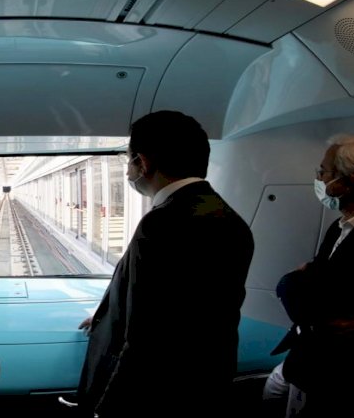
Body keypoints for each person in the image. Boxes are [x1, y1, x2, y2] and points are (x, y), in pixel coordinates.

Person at [75, 111, 254, 417]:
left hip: (154, 395)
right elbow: (187, 304)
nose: (128, 170)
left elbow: (146, 336)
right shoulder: (231, 219)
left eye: (128, 159)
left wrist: (107, 409)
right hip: (205, 382)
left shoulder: (161, 223)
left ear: (143, 162)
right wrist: (107, 315)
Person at [263, 134, 354, 417]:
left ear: (350, 180)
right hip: (310, 349)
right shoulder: (341, 226)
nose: (318, 178)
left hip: (331, 364)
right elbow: (318, 292)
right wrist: (307, 287)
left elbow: (315, 307)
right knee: (275, 386)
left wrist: (288, 282)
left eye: (323, 172)